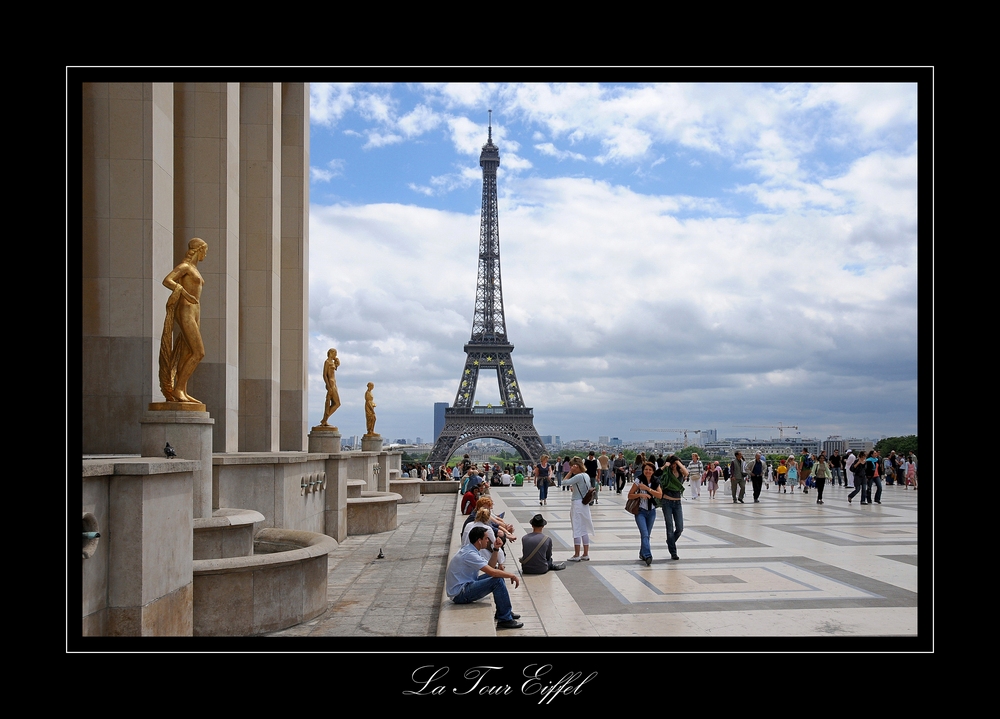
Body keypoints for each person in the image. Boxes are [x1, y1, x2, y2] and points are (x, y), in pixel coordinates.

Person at [159, 237, 208, 403]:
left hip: (195, 311)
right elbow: (167, 280)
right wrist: (184, 293)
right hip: (185, 310)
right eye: (204, 251)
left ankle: (182, 392)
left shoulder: (194, 269)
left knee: (187, 353)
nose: (205, 255)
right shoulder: (185, 267)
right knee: (199, 352)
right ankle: (178, 388)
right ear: (199, 249)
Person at [445, 526, 523, 629]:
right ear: (479, 540)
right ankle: (505, 619)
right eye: (486, 538)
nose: (488, 540)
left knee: (499, 575)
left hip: (465, 585)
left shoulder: (470, 549)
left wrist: (495, 549)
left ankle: (502, 612)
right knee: (498, 580)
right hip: (460, 593)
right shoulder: (470, 554)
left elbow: (490, 567)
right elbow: (492, 572)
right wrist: (512, 575)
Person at [628, 461, 662, 565]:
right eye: (646, 469)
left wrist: (647, 489)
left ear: (653, 471)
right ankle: (648, 555)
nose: (648, 471)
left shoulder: (655, 481)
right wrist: (640, 495)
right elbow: (630, 495)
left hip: (651, 511)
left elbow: (660, 495)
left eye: (650, 470)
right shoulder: (639, 480)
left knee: (647, 535)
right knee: (645, 534)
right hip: (640, 511)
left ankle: (642, 552)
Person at [564, 457, 596, 561]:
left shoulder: (578, 476)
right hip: (584, 504)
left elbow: (564, 482)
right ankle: (585, 553)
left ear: (576, 466)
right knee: (584, 529)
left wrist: (570, 472)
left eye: (572, 466)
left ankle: (576, 554)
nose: (571, 468)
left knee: (576, 528)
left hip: (577, 503)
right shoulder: (586, 475)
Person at [661, 455, 687, 560]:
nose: (673, 465)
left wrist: (678, 462)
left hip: (677, 503)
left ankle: (670, 541)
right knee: (670, 528)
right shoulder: (667, 472)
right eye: (672, 463)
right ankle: (673, 552)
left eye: (675, 463)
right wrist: (665, 466)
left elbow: (687, 473)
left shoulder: (680, 472)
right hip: (667, 501)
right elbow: (658, 474)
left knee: (680, 528)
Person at [320, 348, 341, 426]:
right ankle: (324, 419)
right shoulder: (327, 362)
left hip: (334, 383)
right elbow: (325, 374)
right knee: (337, 403)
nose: (336, 355)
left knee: (336, 403)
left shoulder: (331, 362)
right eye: (335, 353)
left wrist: (337, 363)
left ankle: (325, 419)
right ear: (331, 353)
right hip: (331, 384)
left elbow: (335, 368)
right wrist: (328, 385)